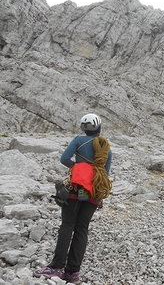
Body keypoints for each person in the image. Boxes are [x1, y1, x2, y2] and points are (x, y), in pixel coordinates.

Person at [35, 114, 113, 284]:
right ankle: (72, 273)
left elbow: (64, 159)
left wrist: (78, 168)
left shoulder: (79, 140)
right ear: (99, 128)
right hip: (94, 192)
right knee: (82, 228)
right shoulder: (106, 147)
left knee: (67, 225)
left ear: (83, 128)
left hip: (75, 188)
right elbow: (105, 173)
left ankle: (55, 267)